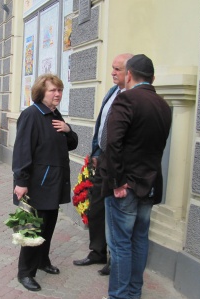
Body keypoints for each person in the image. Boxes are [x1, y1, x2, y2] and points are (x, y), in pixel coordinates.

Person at [100, 54, 172, 299]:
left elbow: (113, 143)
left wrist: (118, 182)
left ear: (129, 74)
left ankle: (120, 297)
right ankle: (133, 293)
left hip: (126, 187)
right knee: (139, 240)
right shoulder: (163, 104)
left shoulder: (126, 99)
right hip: (149, 185)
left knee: (120, 244)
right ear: (152, 78)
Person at [12, 74, 78, 291]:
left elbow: (71, 144)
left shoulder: (54, 114)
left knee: (48, 227)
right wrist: (21, 181)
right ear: (41, 92)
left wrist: (68, 130)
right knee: (32, 230)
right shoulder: (32, 114)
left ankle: (42, 261)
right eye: (53, 90)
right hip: (37, 184)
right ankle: (25, 273)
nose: (58, 94)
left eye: (60, 90)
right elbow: (22, 150)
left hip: (54, 183)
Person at [73, 54, 134, 276]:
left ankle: (112, 259)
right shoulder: (112, 91)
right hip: (101, 158)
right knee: (96, 205)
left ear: (130, 73)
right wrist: (96, 152)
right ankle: (97, 251)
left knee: (114, 211)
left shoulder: (132, 97)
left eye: (117, 69)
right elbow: (103, 124)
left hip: (118, 163)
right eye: (112, 68)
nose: (112, 73)